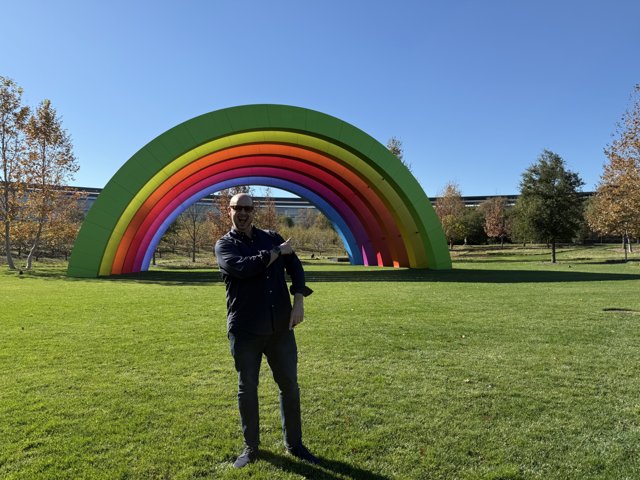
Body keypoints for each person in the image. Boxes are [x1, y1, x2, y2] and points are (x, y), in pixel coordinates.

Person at [214, 193, 319, 469]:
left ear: (254, 210)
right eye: (238, 208)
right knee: (247, 388)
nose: (243, 213)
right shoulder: (224, 245)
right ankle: (251, 448)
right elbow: (243, 268)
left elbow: (295, 267)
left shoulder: (272, 236)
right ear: (230, 211)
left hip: (280, 328)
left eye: (248, 208)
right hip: (246, 330)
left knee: (290, 387)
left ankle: (295, 444)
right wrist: (275, 253)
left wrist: (298, 301)